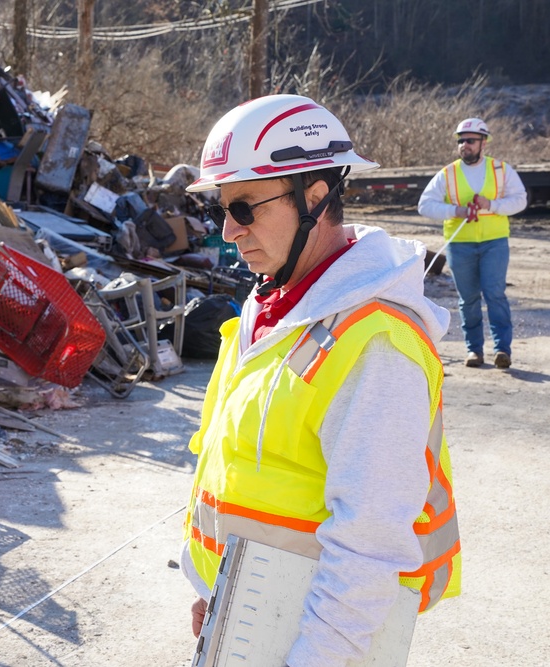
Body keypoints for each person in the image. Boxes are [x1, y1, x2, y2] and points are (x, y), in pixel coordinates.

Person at [180, 94, 461, 666]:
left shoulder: (377, 342)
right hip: (246, 611)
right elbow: (231, 460)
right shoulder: (272, 305)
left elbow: (370, 544)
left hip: (312, 637)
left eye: (246, 208)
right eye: (222, 210)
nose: (229, 232)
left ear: (316, 195)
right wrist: (210, 585)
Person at [417, 118, 527, 368]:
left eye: (470, 140)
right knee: (468, 299)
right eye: (461, 141)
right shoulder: (448, 173)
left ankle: (502, 350)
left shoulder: (501, 170)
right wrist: (455, 210)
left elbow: (520, 200)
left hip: (494, 243)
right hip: (460, 245)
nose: (464, 145)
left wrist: (493, 205)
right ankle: (474, 351)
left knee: (495, 294)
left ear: (483, 143)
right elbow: (424, 205)